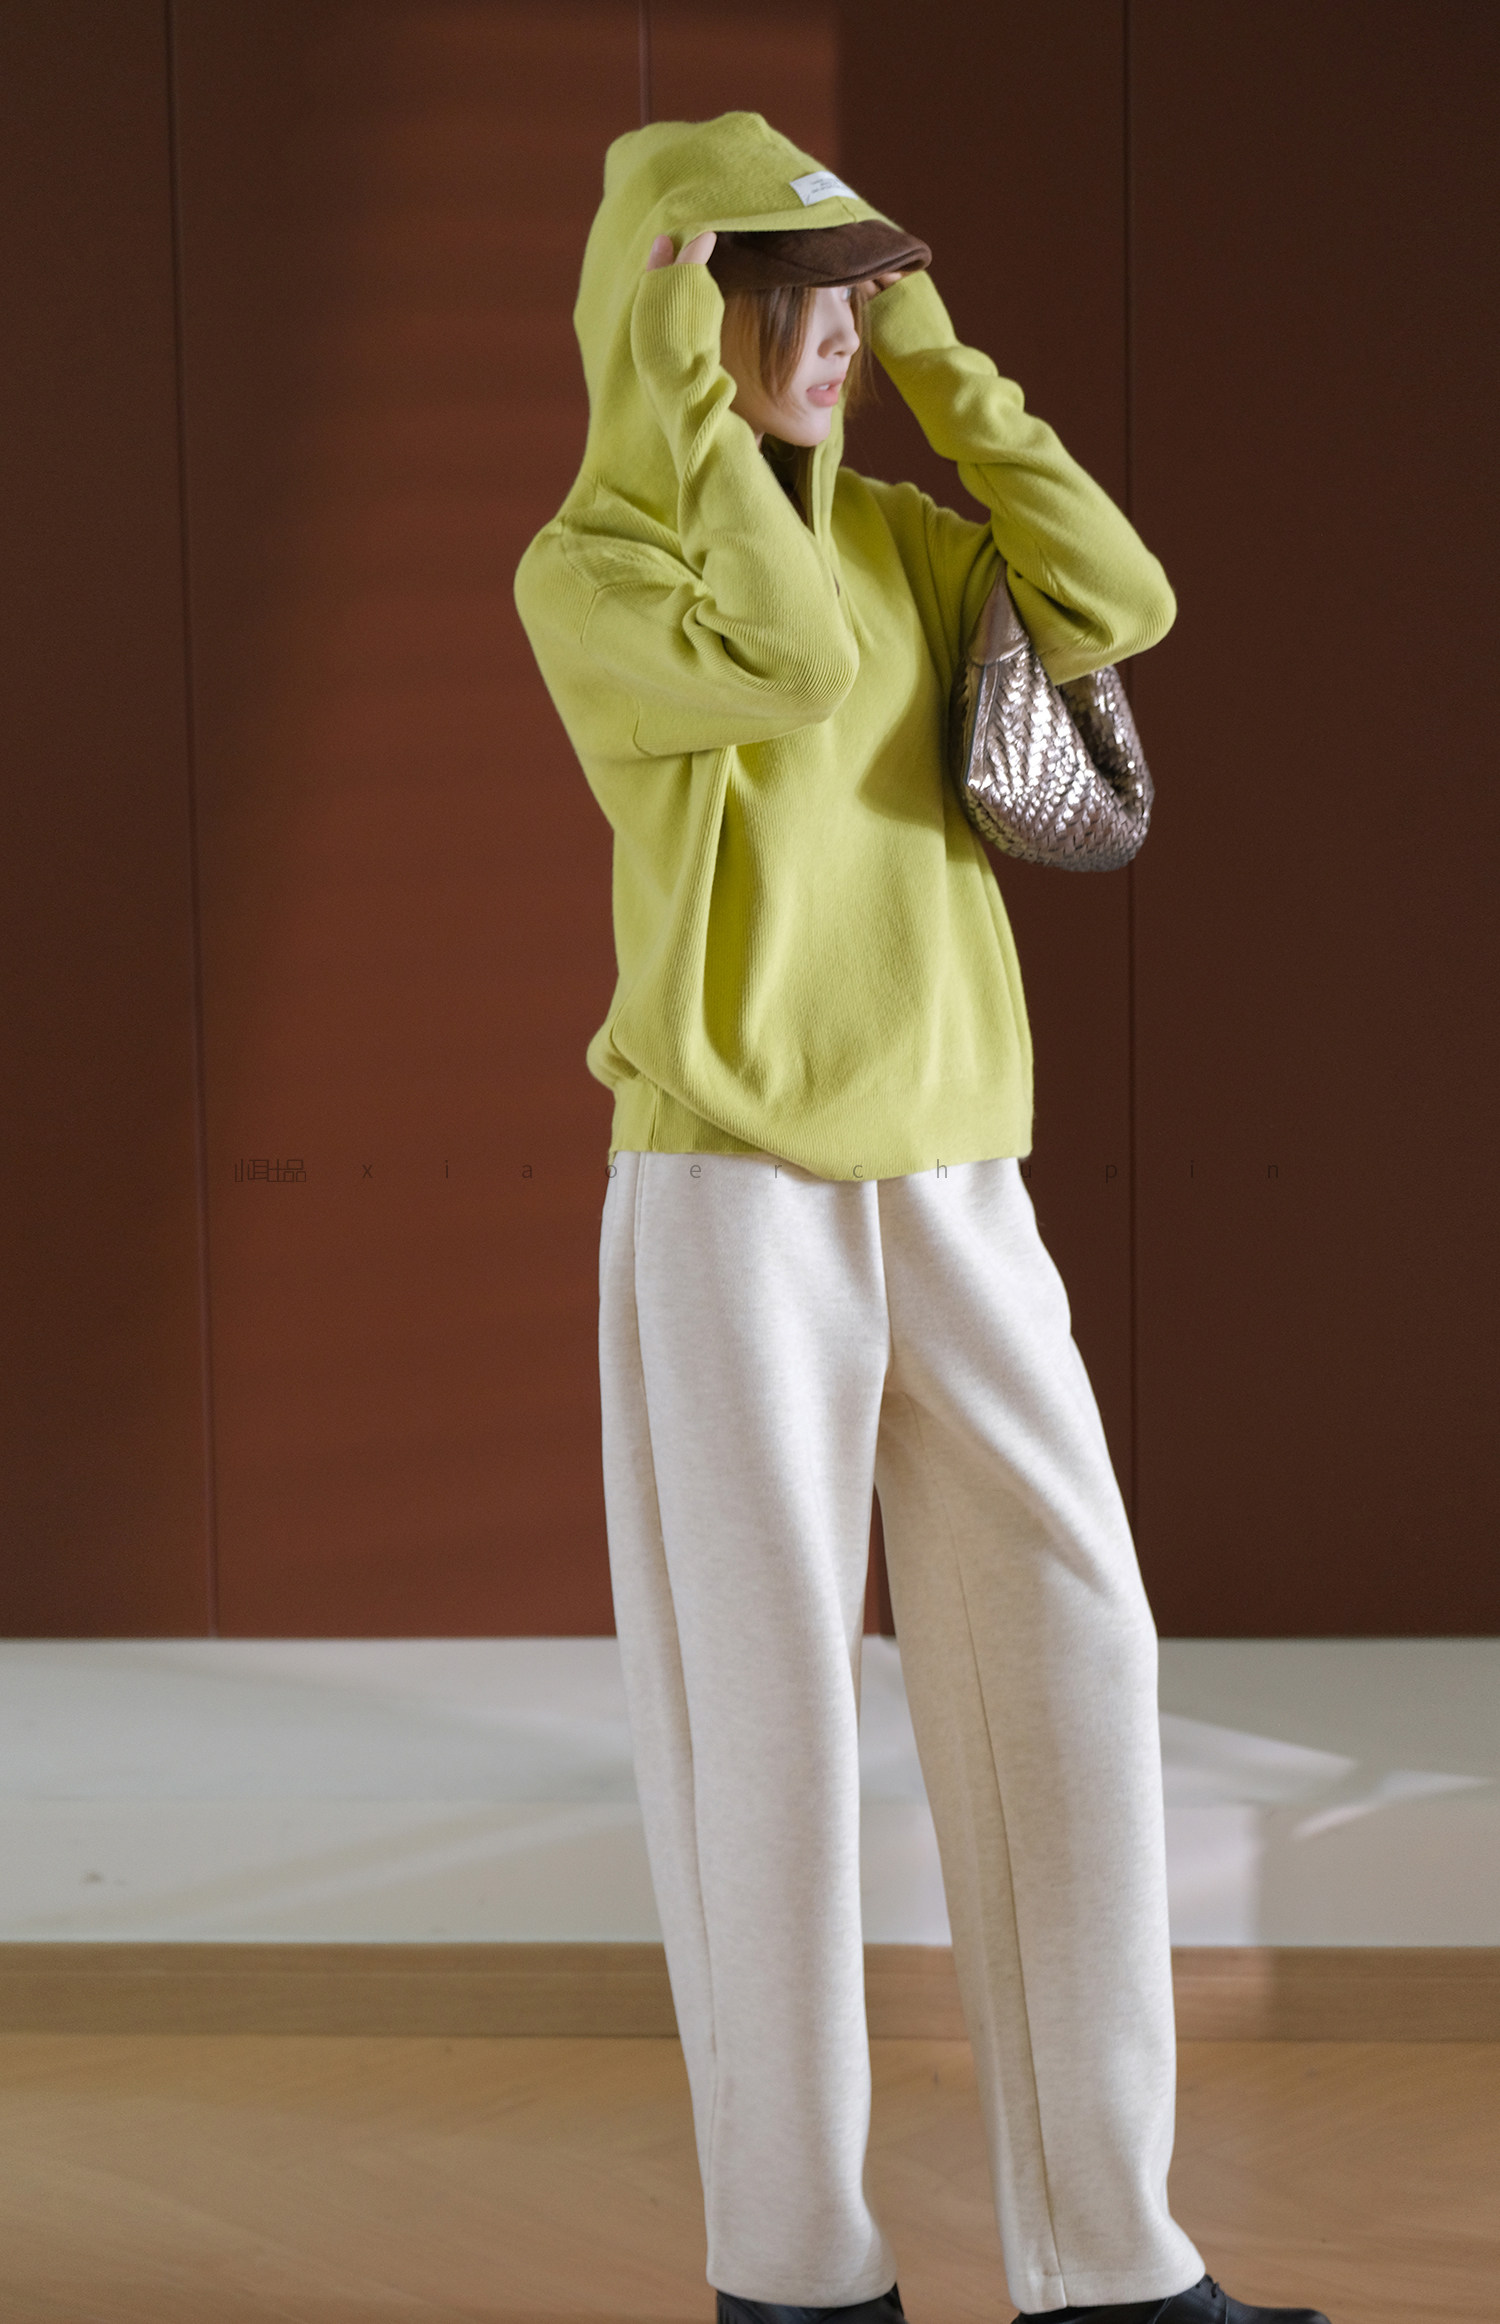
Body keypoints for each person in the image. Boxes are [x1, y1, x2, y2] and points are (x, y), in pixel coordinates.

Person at [514, 109, 1329, 2324]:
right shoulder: (597, 570)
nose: (835, 336)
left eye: (855, 294)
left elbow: (1122, 602)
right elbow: (780, 664)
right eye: (789, 293)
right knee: (762, 1724)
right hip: (729, 1190)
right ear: (672, 311)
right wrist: (696, 408)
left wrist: (942, 356)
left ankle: (1110, 2258)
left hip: (961, 1164)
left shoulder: (907, 534)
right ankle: (796, 2267)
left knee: (1075, 1649)